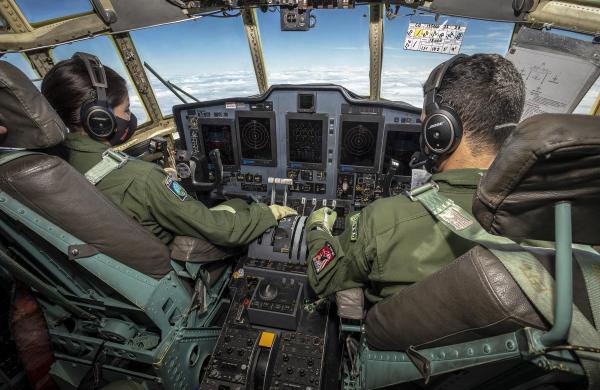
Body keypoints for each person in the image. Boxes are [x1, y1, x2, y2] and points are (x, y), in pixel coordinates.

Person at [305, 53, 526, 304]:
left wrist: (317, 227)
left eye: (425, 125)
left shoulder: (383, 221)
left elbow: (323, 278)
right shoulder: (550, 219)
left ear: (441, 131)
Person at [42, 53, 296, 247]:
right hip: (171, 258)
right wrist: (267, 212)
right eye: (126, 110)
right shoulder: (143, 179)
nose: (130, 118)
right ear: (99, 120)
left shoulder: (50, 165)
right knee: (241, 205)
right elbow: (221, 230)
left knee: (236, 203)